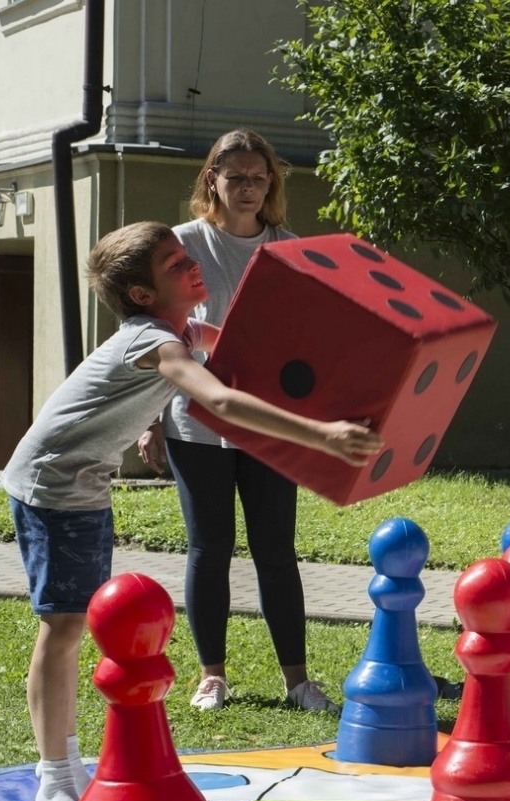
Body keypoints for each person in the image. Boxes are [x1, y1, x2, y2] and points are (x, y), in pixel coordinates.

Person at [1, 221, 381, 801]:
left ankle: (66, 770)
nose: (192, 266)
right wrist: (324, 437)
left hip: (85, 482)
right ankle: (56, 778)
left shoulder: (184, 330)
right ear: (144, 296)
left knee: (72, 621)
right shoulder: (152, 341)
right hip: (53, 483)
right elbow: (221, 402)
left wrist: (339, 387)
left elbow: (254, 363)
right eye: (176, 265)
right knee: (65, 624)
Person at [135, 129, 334, 713]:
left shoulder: (290, 249)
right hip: (195, 423)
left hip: (269, 423)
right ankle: (211, 676)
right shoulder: (183, 244)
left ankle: (297, 680)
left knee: (276, 550)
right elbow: (162, 336)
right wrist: (152, 420)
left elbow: (304, 341)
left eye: (258, 177)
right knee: (209, 548)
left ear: (271, 182)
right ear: (212, 181)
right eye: (236, 177)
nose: (248, 188)